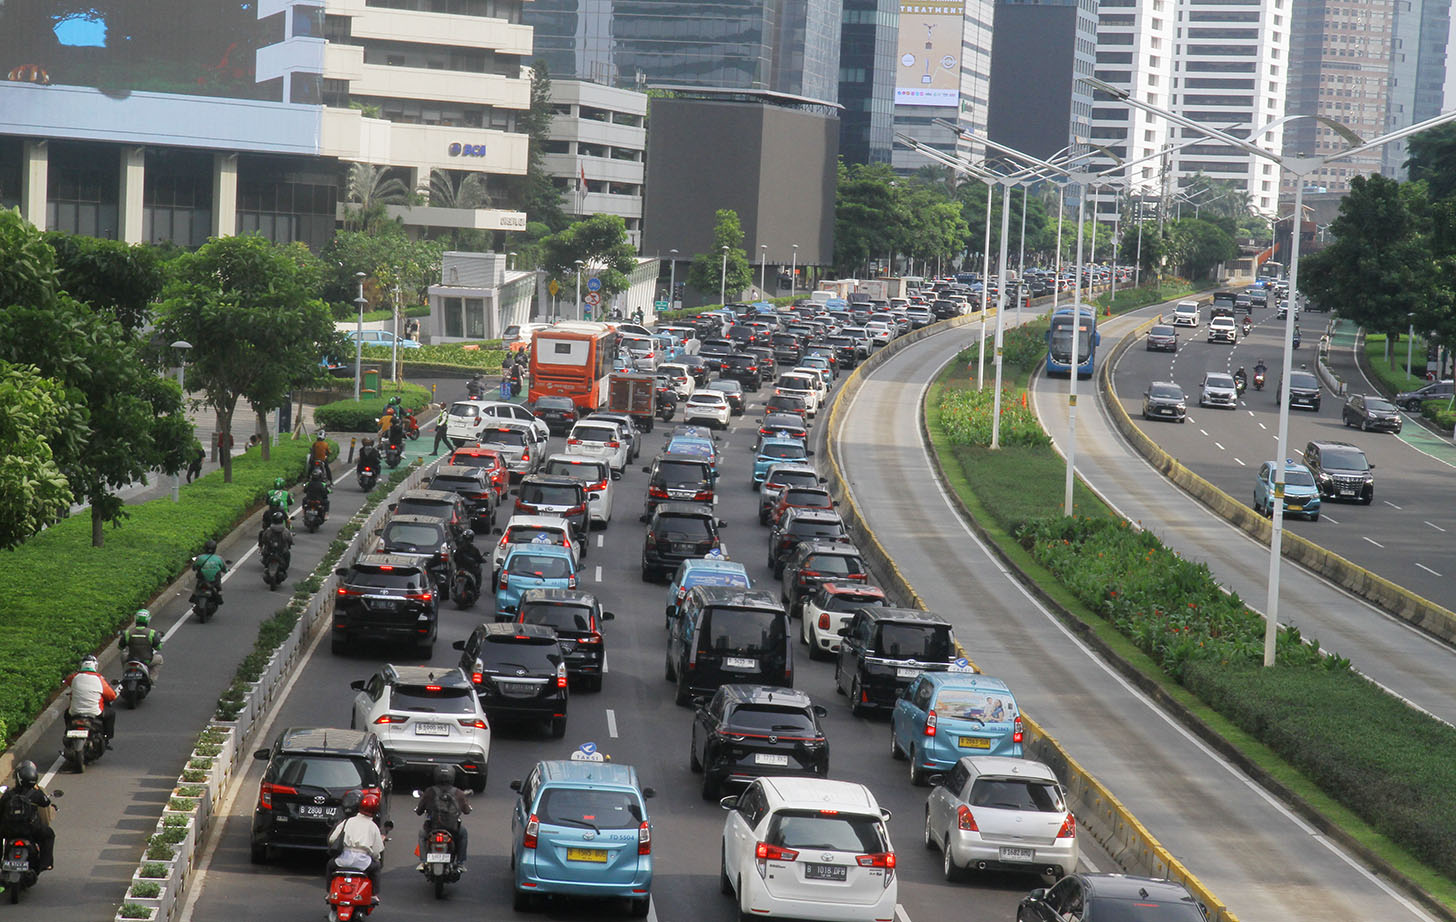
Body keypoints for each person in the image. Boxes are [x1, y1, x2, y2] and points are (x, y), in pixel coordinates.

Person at [327, 791, 385, 896]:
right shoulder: (373, 827)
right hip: (363, 862)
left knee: (330, 865)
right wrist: (375, 858)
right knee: (376, 867)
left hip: (344, 859)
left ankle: (329, 893)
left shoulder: (347, 822)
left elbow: (332, 839)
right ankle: (374, 895)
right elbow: (377, 852)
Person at [0, 761, 55, 873]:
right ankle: (46, 863)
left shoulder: (9, 794)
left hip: (9, 831)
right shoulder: (36, 794)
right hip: (31, 830)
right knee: (49, 835)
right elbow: (46, 803)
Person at [415, 764, 471, 872]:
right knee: (463, 834)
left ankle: (423, 862)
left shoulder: (429, 791)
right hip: (453, 829)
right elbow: (467, 811)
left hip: (432, 828)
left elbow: (419, 811)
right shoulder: (458, 793)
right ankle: (460, 863)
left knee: (422, 834)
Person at [64, 656, 116, 748]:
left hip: (75, 712)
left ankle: (67, 733)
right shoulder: (99, 679)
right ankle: (107, 737)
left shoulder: (74, 677)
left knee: (66, 714)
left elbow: (67, 681)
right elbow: (111, 696)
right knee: (111, 714)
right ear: (95, 666)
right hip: (94, 712)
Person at [118, 609, 163, 683]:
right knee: (160, 659)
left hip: (131, 660)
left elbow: (120, 647)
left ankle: (126, 674)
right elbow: (158, 647)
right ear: (148, 620)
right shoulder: (151, 633)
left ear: (136, 619)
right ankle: (151, 679)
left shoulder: (128, 633)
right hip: (147, 661)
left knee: (123, 655)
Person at [192, 539, 229, 607]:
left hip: (202, 581)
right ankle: (219, 599)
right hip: (214, 582)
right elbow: (224, 568)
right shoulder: (219, 558)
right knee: (219, 589)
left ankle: (193, 598)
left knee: (196, 589)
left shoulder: (200, 557)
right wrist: (226, 570)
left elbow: (194, 567)